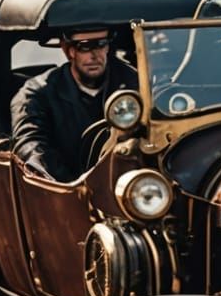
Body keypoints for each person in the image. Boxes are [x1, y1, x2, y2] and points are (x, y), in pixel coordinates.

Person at [11, 28, 138, 183]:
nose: (94, 55)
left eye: (101, 44)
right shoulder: (37, 94)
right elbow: (31, 146)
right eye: (85, 46)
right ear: (69, 51)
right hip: (68, 187)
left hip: (134, 185)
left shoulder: (134, 83)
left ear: (107, 47)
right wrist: (71, 186)